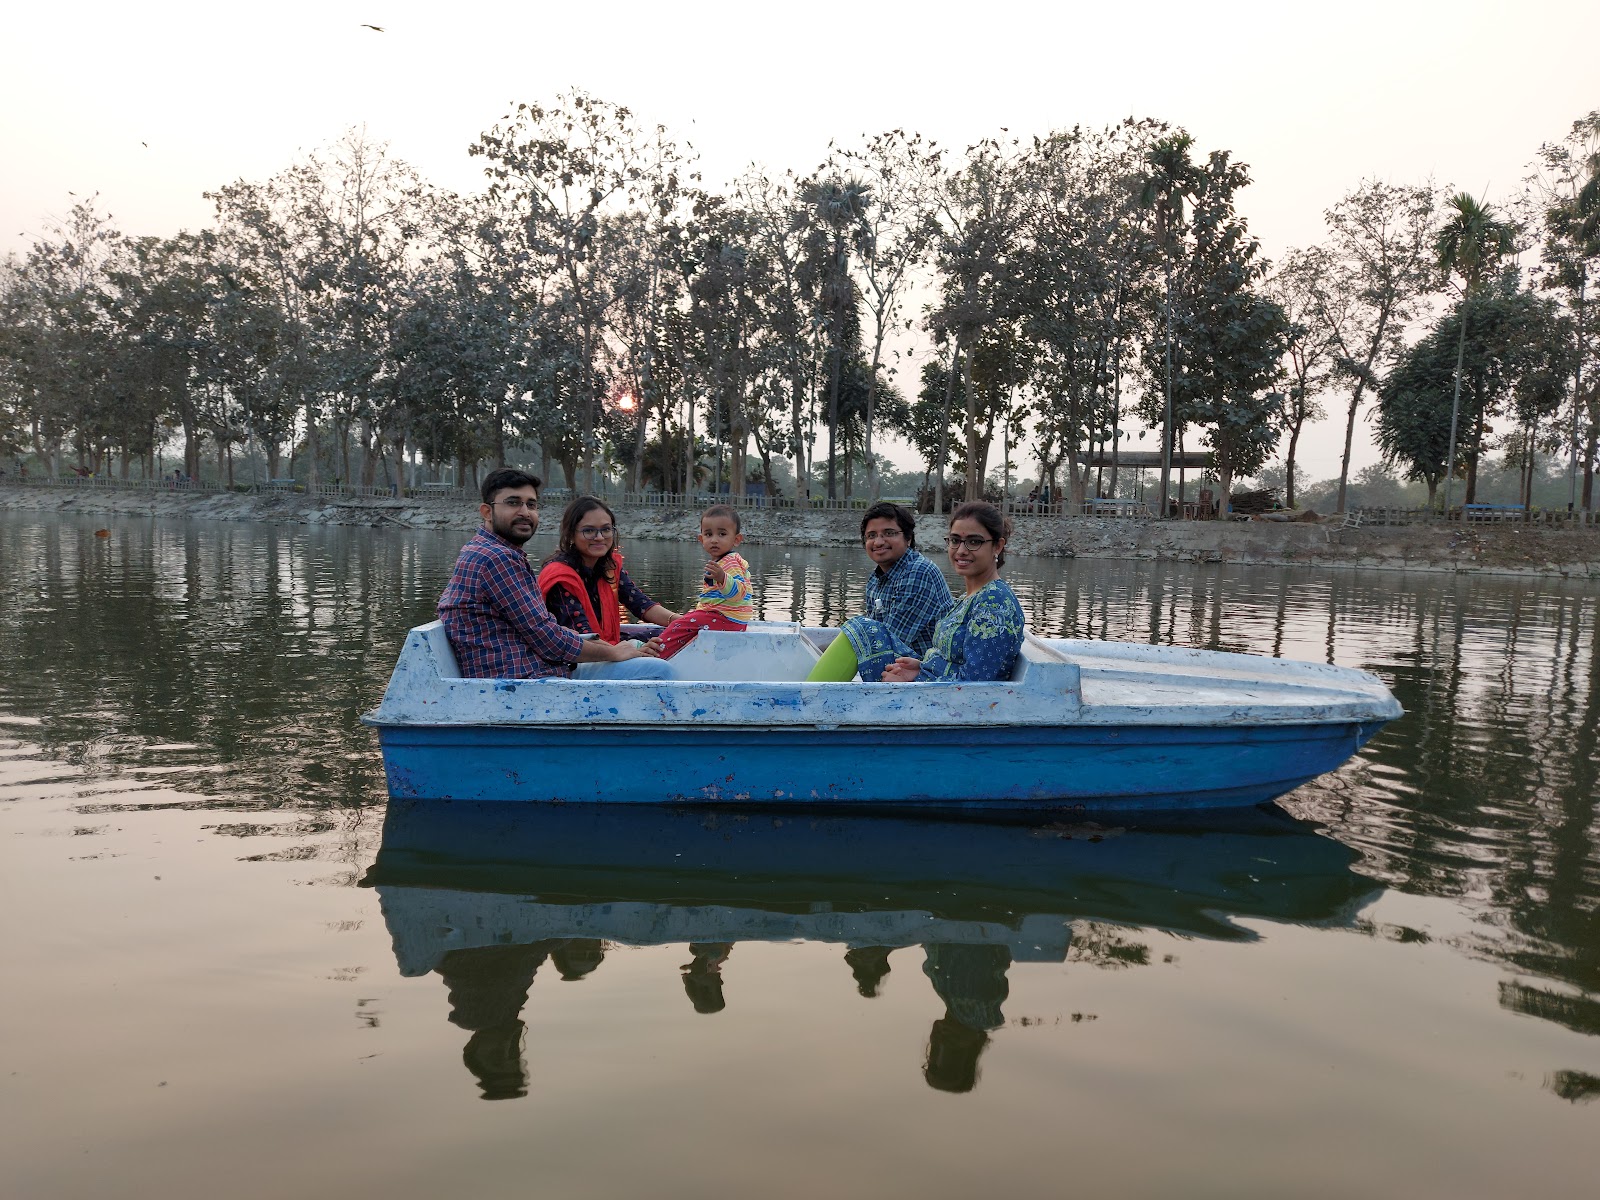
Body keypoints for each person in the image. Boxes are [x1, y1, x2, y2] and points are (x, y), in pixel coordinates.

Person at [436, 468, 673, 680]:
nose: (525, 512)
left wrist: (681, 622)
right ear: (487, 512)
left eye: (531, 504)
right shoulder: (498, 559)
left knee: (648, 652)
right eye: (513, 503)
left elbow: (639, 603)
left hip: (534, 666)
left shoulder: (489, 551)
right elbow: (547, 637)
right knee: (659, 670)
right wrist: (614, 650)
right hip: (521, 678)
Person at [806, 501, 956, 682]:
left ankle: (808, 697)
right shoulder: (876, 579)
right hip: (897, 663)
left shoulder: (918, 572)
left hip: (922, 670)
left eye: (889, 533)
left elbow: (886, 638)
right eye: (871, 535)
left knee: (858, 627)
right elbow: (875, 632)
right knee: (827, 642)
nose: (878, 542)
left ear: (908, 538)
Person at [878, 501, 1026, 684]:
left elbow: (974, 685)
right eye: (955, 540)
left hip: (958, 709)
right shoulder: (970, 598)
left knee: (867, 633)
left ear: (997, 546)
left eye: (974, 542)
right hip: (937, 696)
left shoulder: (994, 603)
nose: (961, 551)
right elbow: (954, 665)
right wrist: (922, 667)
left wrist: (915, 684)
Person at [537, 496, 679, 643]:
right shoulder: (560, 577)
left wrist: (685, 622)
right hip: (578, 657)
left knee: (670, 636)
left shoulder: (609, 567)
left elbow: (641, 604)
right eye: (589, 530)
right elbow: (583, 637)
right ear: (571, 534)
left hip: (607, 646)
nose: (599, 537)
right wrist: (632, 651)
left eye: (606, 529)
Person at [654, 504, 756, 659]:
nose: (714, 540)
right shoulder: (722, 561)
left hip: (726, 619)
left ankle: (656, 655)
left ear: (736, 540)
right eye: (709, 534)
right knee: (688, 621)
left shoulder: (730, 563)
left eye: (722, 534)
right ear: (701, 539)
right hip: (725, 618)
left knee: (678, 625)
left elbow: (740, 593)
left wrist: (723, 578)